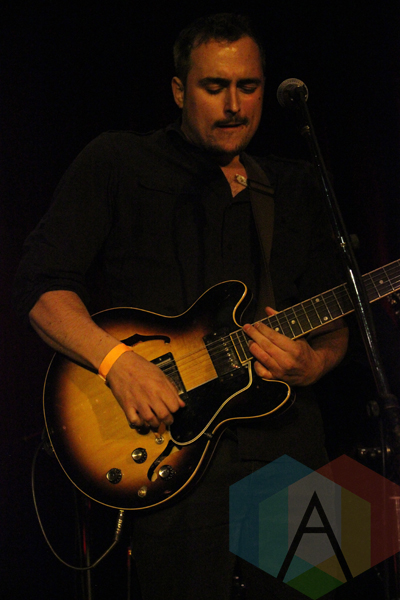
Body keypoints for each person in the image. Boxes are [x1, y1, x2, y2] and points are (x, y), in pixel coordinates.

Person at [14, 13, 349, 600]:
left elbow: (338, 317)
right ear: (178, 90)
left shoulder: (296, 183)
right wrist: (118, 363)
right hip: (172, 456)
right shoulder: (117, 160)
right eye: (214, 87)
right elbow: (40, 287)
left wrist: (313, 364)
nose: (234, 105)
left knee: (329, 584)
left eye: (248, 87)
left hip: (292, 443)